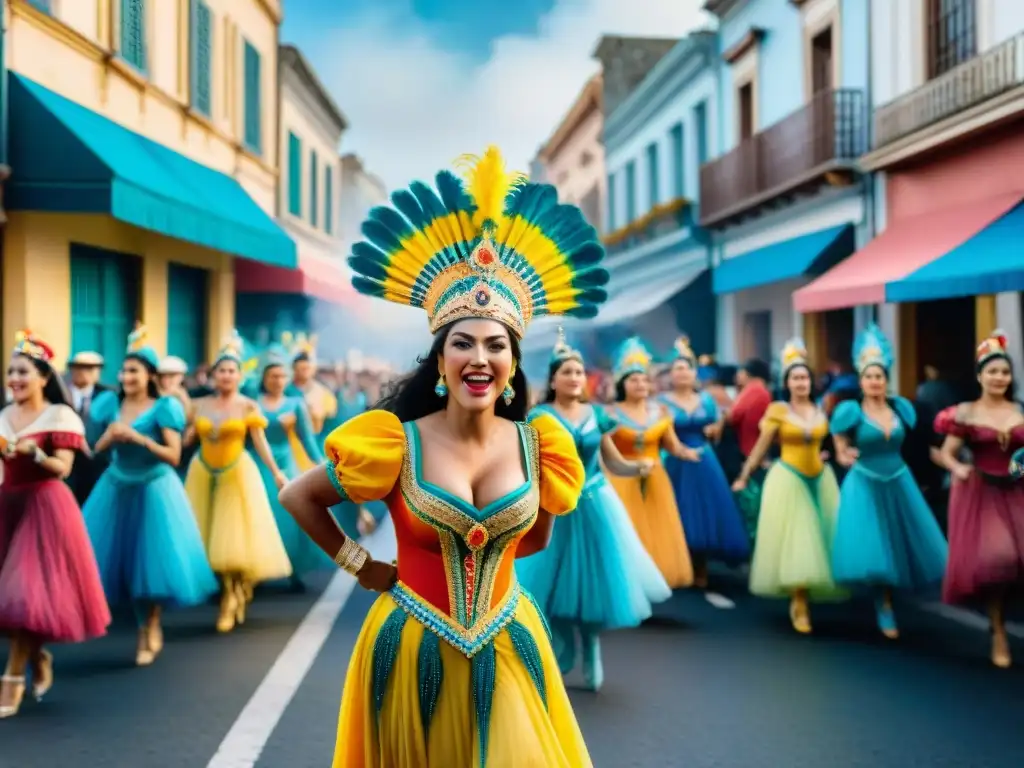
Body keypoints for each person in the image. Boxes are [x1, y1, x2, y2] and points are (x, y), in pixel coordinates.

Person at [279, 146, 606, 766]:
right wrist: (361, 566)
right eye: (463, 343)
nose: (479, 358)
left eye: (495, 345)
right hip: (411, 649)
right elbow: (298, 495)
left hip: (508, 640)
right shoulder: (394, 441)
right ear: (440, 360)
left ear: (511, 363)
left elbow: (535, 539)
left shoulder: (542, 446)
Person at [517, 329, 670, 691]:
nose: (574, 378)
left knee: (595, 584)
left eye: (579, 372)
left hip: (595, 503)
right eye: (566, 372)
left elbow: (613, 462)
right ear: (553, 379)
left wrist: (638, 468)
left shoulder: (597, 415)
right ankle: (564, 642)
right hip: (554, 506)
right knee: (548, 587)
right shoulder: (538, 416)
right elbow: (529, 464)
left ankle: (592, 648)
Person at [82, 325, 218, 665]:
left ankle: (150, 626)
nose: (126, 376)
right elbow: (94, 451)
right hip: (115, 486)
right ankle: (140, 622)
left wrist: (139, 439)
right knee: (117, 565)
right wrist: (110, 439)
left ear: (149, 375)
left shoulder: (164, 408)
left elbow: (174, 456)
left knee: (152, 564)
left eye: (134, 371)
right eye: (124, 370)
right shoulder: (107, 403)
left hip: (154, 488)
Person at [0, 331, 110, 717]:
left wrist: (35, 453)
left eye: (23, 371)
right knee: (7, 603)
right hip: (6, 505)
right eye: (10, 371)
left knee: (25, 594)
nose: (14, 378)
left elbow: (63, 468)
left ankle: (11, 679)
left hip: (44, 506)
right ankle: (39, 655)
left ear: (44, 377)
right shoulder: (2, 417)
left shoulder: (59, 416)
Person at [829, 324, 948, 639]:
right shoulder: (849, 411)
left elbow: (922, 445)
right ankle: (883, 605)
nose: (874, 382)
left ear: (886, 379)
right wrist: (843, 454)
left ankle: (894, 598)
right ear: (861, 380)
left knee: (898, 540)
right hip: (865, 481)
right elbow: (838, 441)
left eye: (879, 376)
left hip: (898, 479)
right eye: (869, 376)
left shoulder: (903, 409)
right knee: (874, 543)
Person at [732, 338, 845, 633]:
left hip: (820, 477)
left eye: (805, 377)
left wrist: (828, 454)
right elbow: (761, 446)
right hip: (789, 478)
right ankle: (799, 602)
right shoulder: (778, 411)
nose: (801, 382)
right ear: (787, 382)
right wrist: (745, 474)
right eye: (795, 378)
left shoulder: (821, 410)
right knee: (800, 538)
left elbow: (829, 442)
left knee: (822, 538)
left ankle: (811, 594)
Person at [184, 331, 293, 633]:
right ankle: (229, 590)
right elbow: (187, 438)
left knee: (231, 543)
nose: (226, 375)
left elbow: (260, 442)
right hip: (203, 472)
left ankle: (231, 599)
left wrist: (276, 472)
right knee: (206, 541)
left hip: (237, 473)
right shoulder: (199, 406)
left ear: (239, 375)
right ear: (213, 375)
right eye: (221, 370)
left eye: (232, 370)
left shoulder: (247, 406)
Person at [936, 330, 1024, 668]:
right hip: (980, 492)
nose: (999, 378)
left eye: (1004, 372)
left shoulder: (1019, 409)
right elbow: (947, 453)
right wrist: (957, 468)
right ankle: (998, 630)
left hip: (1015, 487)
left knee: (1017, 560)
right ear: (980, 376)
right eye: (992, 372)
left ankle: (1003, 616)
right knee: (998, 557)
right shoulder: (966, 413)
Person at [605, 336, 697, 589]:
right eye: (634, 379)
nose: (641, 384)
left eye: (645, 379)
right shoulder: (611, 414)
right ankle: (627, 587)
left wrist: (688, 453)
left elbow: (672, 444)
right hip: (622, 480)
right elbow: (603, 449)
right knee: (627, 534)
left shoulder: (661, 412)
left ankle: (649, 585)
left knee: (657, 534)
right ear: (623, 383)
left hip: (656, 478)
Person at [659, 336, 750, 588]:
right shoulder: (662, 403)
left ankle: (701, 566)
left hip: (703, 459)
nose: (683, 373)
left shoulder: (707, 400)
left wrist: (715, 428)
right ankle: (680, 562)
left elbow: (719, 421)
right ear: (671, 375)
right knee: (678, 511)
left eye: (687, 368)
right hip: (674, 459)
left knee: (707, 512)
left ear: (694, 373)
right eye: (678, 369)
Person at [65, 350, 112, 504]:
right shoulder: (61, 393)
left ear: (98, 372)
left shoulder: (108, 395)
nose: (83, 372)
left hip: (97, 465)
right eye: (79, 367)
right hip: (67, 464)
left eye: (90, 368)